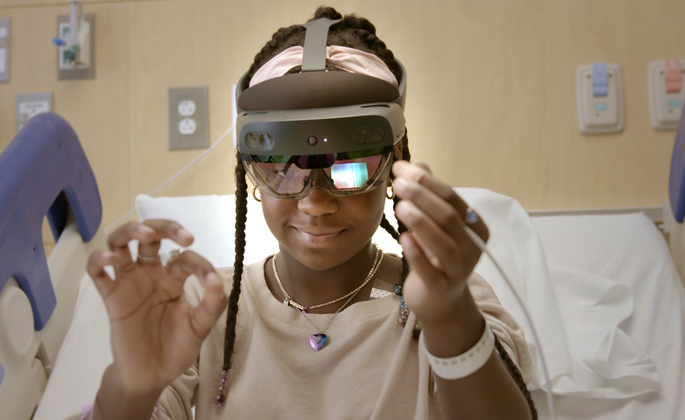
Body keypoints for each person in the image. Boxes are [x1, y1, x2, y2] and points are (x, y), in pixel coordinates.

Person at [85, 6, 535, 420]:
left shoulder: (446, 292)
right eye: (284, 168)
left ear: (394, 159)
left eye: (349, 166)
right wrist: (130, 387)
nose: (315, 203)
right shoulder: (201, 309)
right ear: (250, 170)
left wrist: (449, 316)